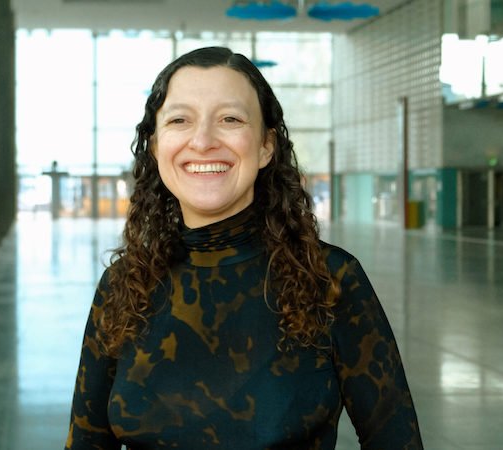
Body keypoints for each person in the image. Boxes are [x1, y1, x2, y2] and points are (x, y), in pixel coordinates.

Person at [65, 46, 423, 449]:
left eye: (230, 119)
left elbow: (395, 440)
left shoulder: (328, 280)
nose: (202, 141)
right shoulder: (124, 286)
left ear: (267, 145)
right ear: (154, 145)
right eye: (180, 120)